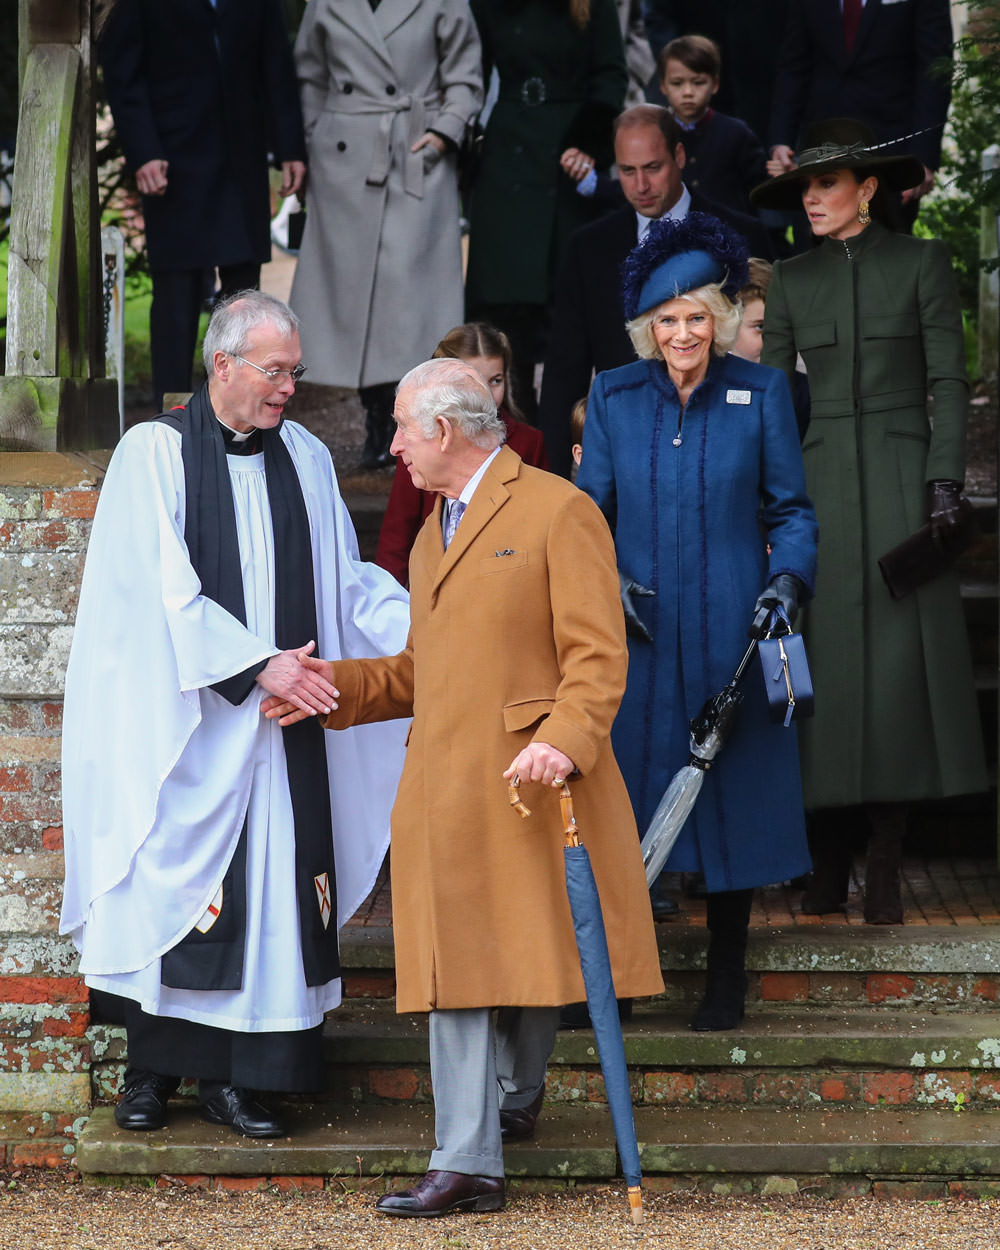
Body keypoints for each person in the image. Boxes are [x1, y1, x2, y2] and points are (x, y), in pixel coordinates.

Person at [265, 358, 663, 1216]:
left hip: (531, 784)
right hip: (447, 788)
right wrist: (331, 690)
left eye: (403, 428)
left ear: (444, 431)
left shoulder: (561, 510)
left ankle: (492, 1129)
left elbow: (598, 658)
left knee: (526, 955)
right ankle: (472, 1151)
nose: (394, 445)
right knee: (464, 972)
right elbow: (423, 670)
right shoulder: (438, 525)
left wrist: (562, 742)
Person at [60, 292, 410, 1138]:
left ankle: (240, 1080)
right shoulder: (154, 453)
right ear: (223, 365)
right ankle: (151, 1074)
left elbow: (344, 580)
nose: (291, 387)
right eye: (277, 370)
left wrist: (431, 621)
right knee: (173, 885)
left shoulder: (309, 459)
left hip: (280, 730)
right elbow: (158, 588)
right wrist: (260, 666)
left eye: (295, 371)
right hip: (190, 724)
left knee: (272, 889)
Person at [577, 213, 817, 1027]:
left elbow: (792, 511)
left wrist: (787, 579)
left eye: (697, 317)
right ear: (648, 329)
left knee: (732, 796)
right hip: (636, 635)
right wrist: (603, 581)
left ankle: (724, 977)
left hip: (731, 629)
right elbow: (585, 518)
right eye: (666, 320)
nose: (683, 333)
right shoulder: (611, 396)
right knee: (626, 796)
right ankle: (619, 978)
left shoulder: (762, 393)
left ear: (719, 318)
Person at [752, 118, 989, 924]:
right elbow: (776, 400)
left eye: (826, 185)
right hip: (816, 479)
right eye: (805, 188)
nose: (812, 199)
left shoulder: (921, 262)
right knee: (820, 670)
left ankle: (886, 856)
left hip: (900, 473)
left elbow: (949, 384)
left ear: (867, 191)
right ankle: (826, 859)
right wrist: (766, 496)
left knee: (897, 669)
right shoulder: (790, 279)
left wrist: (943, 481)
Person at [289, 0, 483, 469]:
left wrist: (443, 132)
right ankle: (377, 417)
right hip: (345, 158)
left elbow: (465, 74)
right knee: (353, 300)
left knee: (407, 299)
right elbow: (309, 73)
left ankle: (407, 417)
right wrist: (317, 134)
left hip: (416, 154)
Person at [540, 104, 771, 478]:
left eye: (652, 168)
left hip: (727, 448)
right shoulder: (588, 248)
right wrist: (549, 477)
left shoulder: (741, 235)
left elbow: (768, 350)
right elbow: (564, 371)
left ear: (679, 156)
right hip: (626, 453)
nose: (641, 185)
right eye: (627, 171)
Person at [99, 0, 307, 411]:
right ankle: (174, 416)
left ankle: (243, 410)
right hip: (172, 163)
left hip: (242, 161)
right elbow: (124, 73)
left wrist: (290, 148)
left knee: (245, 296)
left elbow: (276, 67)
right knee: (176, 297)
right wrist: (143, 151)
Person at [465, 0, 628, 420]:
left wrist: (589, 144)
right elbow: (469, 72)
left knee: (564, 306)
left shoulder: (591, 5)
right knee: (502, 303)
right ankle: (515, 427)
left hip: (567, 161)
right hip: (506, 160)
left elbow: (611, 74)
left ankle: (562, 430)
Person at [375, 322, 549, 587]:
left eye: (496, 380)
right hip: (436, 582)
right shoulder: (416, 445)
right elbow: (397, 536)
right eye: (473, 380)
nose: (486, 392)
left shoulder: (529, 442)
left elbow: (541, 529)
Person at [767, 0, 954, 227]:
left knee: (882, 246)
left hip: (889, 151)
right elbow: (793, 66)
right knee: (815, 248)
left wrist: (923, 158)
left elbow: (934, 72)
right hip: (820, 148)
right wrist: (780, 141)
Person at [657, 35, 767, 218]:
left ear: (714, 84)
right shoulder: (656, 135)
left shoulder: (736, 133)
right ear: (663, 86)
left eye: (698, 82)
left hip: (730, 236)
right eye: (677, 83)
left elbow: (761, 185)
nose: (688, 92)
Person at [731, 258, 810, 441]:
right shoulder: (710, 387)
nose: (773, 340)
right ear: (728, 326)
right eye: (760, 327)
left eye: (783, 327)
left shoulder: (806, 394)